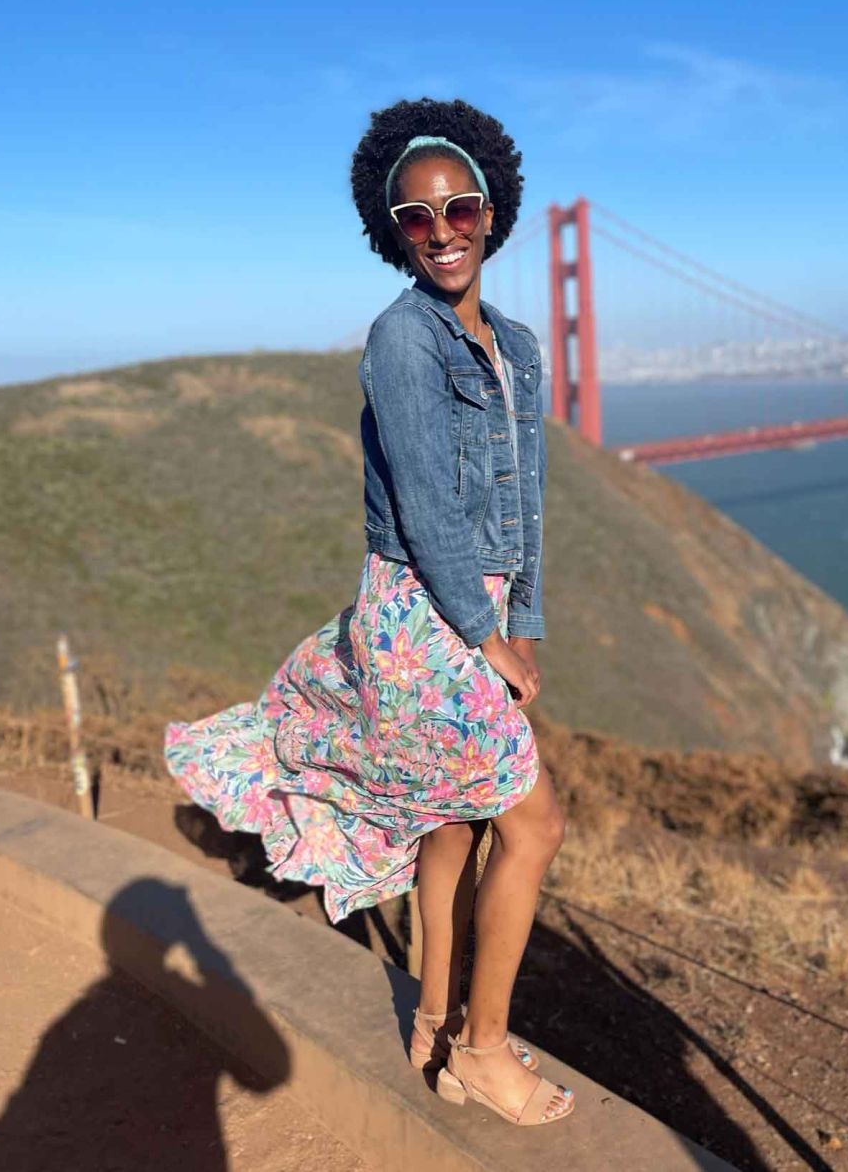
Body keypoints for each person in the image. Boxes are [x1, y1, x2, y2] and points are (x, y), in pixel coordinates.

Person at [164, 97, 574, 1128]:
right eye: (416, 219)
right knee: (533, 822)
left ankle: (435, 1025)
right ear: (389, 231)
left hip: (478, 613)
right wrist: (483, 637)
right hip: (417, 616)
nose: (442, 233)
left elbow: (524, 499)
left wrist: (524, 620)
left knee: (452, 824)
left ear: (495, 209)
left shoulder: (518, 348)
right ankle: (483, 1050)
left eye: (460, 209)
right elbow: (431, 511)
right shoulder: (401, 339)